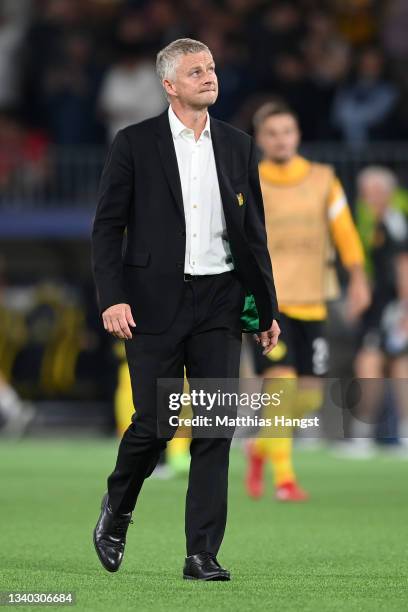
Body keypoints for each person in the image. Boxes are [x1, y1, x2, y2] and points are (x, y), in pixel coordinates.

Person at [91, 38, 280, 581]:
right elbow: (107, 228)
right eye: (195, 71)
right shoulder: (133, 143)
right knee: (155, 423)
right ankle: (118, 507)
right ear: (169, 85)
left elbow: (253, 234)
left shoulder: (239, 145)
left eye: (212, 68)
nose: (209, 76)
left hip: (220, 300)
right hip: (151, 303)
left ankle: (201, 554)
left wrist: (266, 307)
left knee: (216, 426)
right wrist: (112, 297)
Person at [245, 100, 370, 501]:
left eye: (288, 131)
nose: (281, 139)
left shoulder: (323, 179)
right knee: (279, 387)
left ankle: (262, 445)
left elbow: (345, 232)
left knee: (311, 393)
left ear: (297, 135)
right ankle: (284, 477)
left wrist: (358, 278)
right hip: (269, 300)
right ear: (261, 139)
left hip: (313, 297)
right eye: (272, 133)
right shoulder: (252, 180)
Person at [347, 167, 408, 456]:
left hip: (392, 308)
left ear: (383, 192)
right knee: (398, 364)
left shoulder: (394, 221)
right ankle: (401, 434)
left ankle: (363, 435)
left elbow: (404, 267)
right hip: (383, 305)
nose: (364, 197)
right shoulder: (380, 222)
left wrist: (405, 310)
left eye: (369, 191)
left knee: (369, 362)